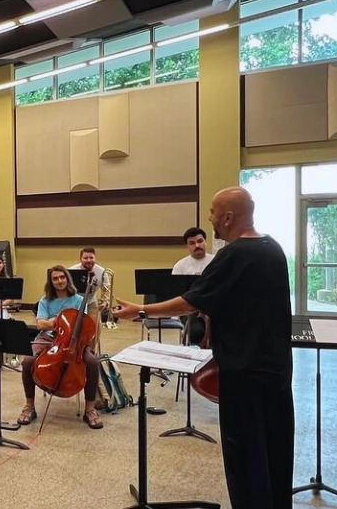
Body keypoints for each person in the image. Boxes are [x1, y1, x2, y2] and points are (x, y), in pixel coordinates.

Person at [113, 187, 294, 509]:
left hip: (244, 374)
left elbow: (191, 301)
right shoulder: (274, 249)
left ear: (228, 217)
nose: (209, 218)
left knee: (245, 459)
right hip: (277, 372)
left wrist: (141, 311)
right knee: (274, 454)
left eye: (212, 211)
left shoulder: (235, 253)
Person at [18, 266, 103, 430]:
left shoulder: (79, 300)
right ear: (51, 282)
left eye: (62, 278)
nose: (59, 281)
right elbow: (40, 324)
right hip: (48, 337)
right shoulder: (45, 301)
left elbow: (82, 323)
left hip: (75, 340)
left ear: (67, 279)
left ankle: (90, 409)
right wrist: (55, 321)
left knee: (92, 362)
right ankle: (30, 406)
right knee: (28, 361)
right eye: (55, 279)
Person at [172, 228, 215, 345]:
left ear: (205, 242)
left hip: (214, 308)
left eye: (200, 241)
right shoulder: (179, 267)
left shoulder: (217, 261)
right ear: (187, 246)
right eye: (192, 243)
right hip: (190, 310)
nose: (197, 245)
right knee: (196, 332)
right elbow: (176, 295)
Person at [68, 247, 111, 316]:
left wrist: (105, 302)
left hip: (91, 302)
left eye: (91, 258)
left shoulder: (102, 271)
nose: (89, 260)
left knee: (93, 325)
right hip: (74, 303)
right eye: (85, 258)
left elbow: (106, 291)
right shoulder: (71, 271)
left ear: (95, 259)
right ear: (80, 259)